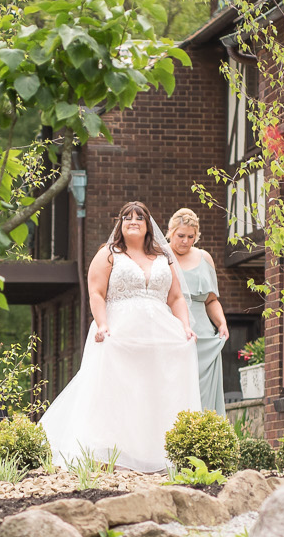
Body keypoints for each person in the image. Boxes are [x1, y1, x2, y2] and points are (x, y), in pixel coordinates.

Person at [38, 201, 200, 474]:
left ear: (149, 225)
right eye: (127, 217)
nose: (133, 220)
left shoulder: (163, 257)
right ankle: (112, 455)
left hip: (160, 336)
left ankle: (158, 455)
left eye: (139, 217)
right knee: (120, 392)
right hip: (120, 333)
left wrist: (185, 326)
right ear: (120, 224)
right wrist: (102, 325)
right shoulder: (108, 254)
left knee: (155, 391)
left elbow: (175, 297)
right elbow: (96, 293)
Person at [167, 207, 229, 414]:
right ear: (170, 232)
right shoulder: (159, 256)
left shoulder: (205, 258)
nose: (185, 241)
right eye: (181, 236)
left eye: (190, 237)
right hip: (171, 330)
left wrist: (222, 323)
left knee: (203, 393)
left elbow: (211, 300)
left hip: (203, 334)